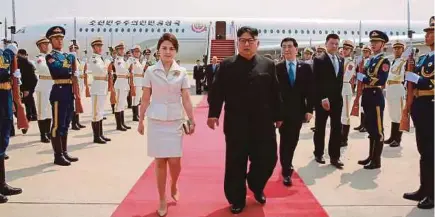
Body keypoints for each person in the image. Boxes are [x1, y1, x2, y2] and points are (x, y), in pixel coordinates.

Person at [207, 26, 282, 214]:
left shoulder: (268, 65)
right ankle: (237, 199)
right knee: (235, 163)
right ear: (238, 43)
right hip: (236, 124)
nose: (246, 44)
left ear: (258, 43)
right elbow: (217, 92)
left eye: (250, 40)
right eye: (242, 40)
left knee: (268, 159)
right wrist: (213, 113)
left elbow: (275, 93)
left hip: (263, 124)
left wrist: (279, 115)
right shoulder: (227, 66)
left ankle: (256, 185)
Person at [137, 33, 195, 217]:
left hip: (175, 120)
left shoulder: (182, 72)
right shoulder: (150, 71)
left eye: (171, 48)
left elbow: (186, 97)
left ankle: (174, 183)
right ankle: (162, 198)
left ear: (176, 51)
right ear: (158, 51)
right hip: (156, 121)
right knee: (160, 161)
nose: (168, 52)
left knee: (175, 161)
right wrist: (140, 120)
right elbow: (145, 98)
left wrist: (191, 119)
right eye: (164, 48)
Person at [402, 16, 434, 209]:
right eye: (427, 32)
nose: (428, 35)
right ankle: (424, 188)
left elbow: (429, 82)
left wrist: (417, 78)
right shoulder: (423, 57)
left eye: (432, 32)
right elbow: (412, 80)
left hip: (432, 104)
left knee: (432, 151)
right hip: (420, 105)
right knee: (424, 150)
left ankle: (432, 193)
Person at [276, 37, 313, 186]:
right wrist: (275, 114)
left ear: (296, 49)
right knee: (285, 140)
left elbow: (311, 91)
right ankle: (286, 169)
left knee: (293, 140)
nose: (286, 49)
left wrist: (310, 109)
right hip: (282, 113)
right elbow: (274, 93)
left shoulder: (305, 68)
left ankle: (287, 162)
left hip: (298, 112)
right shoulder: (277, 68)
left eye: (290, 46)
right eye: (284, 46)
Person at [356, 30, 390, 169]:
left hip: (376, 96)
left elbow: (381, 79)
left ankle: (376, 160)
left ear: (382, 44)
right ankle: (371, 156)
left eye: (376, 42)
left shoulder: (384, 61)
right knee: (370, 127)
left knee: (377, 130)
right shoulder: (371, 60)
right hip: (368, 96)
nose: (373, 44)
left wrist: (364, 78)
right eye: (372, 42)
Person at [45, 26, 79, 166]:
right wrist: (71, 60)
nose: (59, 41)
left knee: (66, 123)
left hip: (68, 90)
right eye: (56, 38)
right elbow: (58, 70)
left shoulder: (66, 56)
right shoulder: (50, 56)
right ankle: (57, 155)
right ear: (51, 41)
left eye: (61, 38)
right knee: (57, 125)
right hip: (58, 91)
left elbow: (71, 71)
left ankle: (64, 152)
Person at [312, 34, 344, 169]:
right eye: (332, 43)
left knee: (337, 128)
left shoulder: (341, 59)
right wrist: (323, 98)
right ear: (326, 44)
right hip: (323, 100)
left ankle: (334, 156)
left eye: (337, 44)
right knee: (320, 127)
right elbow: (316, 81)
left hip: (337, 100)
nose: (335, 46)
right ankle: (318, 153)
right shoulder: (319, 60)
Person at [0, 41, 23, 203]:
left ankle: (1, 184)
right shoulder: (4, 53)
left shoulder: (2, 52)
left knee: (2, 142)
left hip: (4, 98)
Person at [87, 37, 111, 144]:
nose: (100, 48)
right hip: (97, 87)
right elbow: (100, 70)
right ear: (93, 47)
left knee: (100, 111)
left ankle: (100, 134)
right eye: (97, 46)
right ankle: (96, 136)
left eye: (101, 46)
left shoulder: (100, 58)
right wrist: (107, 63)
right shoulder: (94, 58)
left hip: (103, 86)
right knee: (96, 113)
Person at [384, 40, 406, 147]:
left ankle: (397, 139)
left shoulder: (404, 61)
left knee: (398, 115)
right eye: (395, 48)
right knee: (392, 114)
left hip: (398, 87)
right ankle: (392, 137)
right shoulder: (392, 61)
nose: (397, 50)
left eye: (399, 48)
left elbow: (401, 75)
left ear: (403, 49)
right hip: (390, 88)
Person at [34, 36, 53, 143]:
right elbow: (43, 69)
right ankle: (43, 134)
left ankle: (48, 132)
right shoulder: (39, 58)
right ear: (39, 46)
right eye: (44, 44)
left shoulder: (50, 57)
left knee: (49, 110)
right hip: (43, 85)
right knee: (42, 111)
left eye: (47, 44)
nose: (46, 46)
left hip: (51, 85)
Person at [340, 40, 356, 147]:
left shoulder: (350, 63)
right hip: (339, 88)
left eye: (347, 49)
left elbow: (346, 77)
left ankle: (344, 139)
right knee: (339, 115)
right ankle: (339, 136)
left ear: (351, 50)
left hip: (345, 88)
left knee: (345, 114)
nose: (344, 51)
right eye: (344, 48)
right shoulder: (340, 60)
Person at [353, 45, 372, 133]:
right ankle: (362, 124)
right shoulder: (361, 61)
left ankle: (366, 125)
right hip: (360, 85)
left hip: (365, 85)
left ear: (370, 52)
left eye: (366, 51)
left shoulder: (370, 61)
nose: (365, 53)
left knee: (365, 106)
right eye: (364, 51)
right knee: (361, 106)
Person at [113, 41, 131, 131]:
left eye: (123, 49)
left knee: (122, 103)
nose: (122, 50)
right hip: (120, 82)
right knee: (118, 104)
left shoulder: (123, 60)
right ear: (117, 50)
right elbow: (122, 70)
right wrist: (127, 71)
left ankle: (122, 123)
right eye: (120, 49)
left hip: (124, 82)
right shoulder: (118, 60)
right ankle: (118, 125)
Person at [68, 43, 86, 130]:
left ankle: (77, 121)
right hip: (73, 83)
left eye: (76, 48)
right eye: (72, 48)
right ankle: (73, 123)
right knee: (74, 103)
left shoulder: (77, 59)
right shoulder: (69, 58)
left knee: (78, 101)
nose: (74, 50)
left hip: (79, 82)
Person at [128, 45, 146, 121]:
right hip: (134, 81)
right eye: (135, 51)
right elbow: (128, 68)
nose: (137, 53)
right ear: (132, 52)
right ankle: (134, 116)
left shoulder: (138, 60)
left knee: (138, 98)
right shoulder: (131, 59)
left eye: (138, 51)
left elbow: (141, 70)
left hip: (140, 81)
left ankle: (136, 115)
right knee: (134, 98)